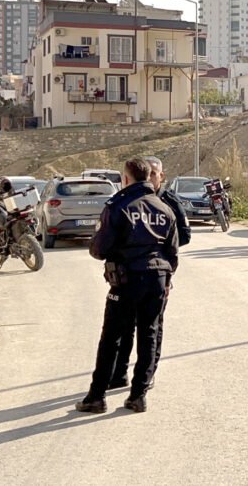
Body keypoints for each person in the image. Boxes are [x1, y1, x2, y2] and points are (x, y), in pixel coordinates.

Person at [77, 158, 179, 414]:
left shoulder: (118, 205)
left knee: (111, 337)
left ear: (125, 178)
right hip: (157, 279)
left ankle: (97, 397)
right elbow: (173, 252)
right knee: (149, 334)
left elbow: (99, 249)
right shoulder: (164, 208)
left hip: (127, 278)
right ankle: (138, 395)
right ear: (149, 177)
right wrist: (167, 280)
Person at [110, 156, 190, 389]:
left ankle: (147, 374)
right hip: (129, 274)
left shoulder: (168, 201)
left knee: (152, 328)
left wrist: (156, 245)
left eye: (155, 174)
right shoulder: (129, 199)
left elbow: (183, 235)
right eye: (149, 173)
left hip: (158, 274)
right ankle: (119, 373)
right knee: (125, 326)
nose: (151, 177)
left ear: (161, 177)